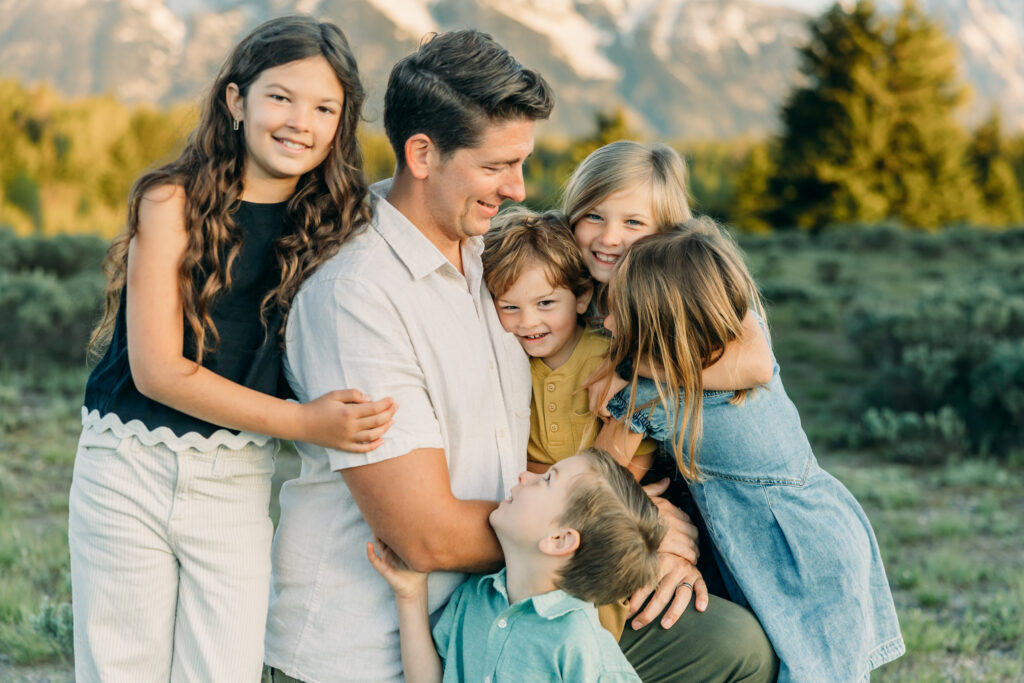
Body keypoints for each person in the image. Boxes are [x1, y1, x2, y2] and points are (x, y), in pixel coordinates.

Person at [266, 30, 775, 683]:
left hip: (518, 606)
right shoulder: (357, 295)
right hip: (385, 649)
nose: (518, 186)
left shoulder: (491, 255)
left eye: (523, 162)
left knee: (731, 644)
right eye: (497, 165)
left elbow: (680, 289)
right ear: (423, 154)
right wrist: (629, 537)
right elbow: (424, 535)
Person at [68, 16, 395, 682]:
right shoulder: (171, 203)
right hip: (129, 461)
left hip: (235, 473)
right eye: (281, 96)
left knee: (223, 668)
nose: (300, 120)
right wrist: (305, 423)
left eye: (325, 107)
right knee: (122, 665)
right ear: (236, 101)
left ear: (341, 123)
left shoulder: (339, 223)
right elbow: (158, 370)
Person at [602, 218, 906, 681]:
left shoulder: (655, 398)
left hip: (794, 557)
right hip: (821, 527)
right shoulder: (741, 346)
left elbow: (598, 472)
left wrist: (618, 376)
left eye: (618, 312)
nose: (605, 322)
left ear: (660, 324)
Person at [367, 448, 663, 682]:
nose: (525, 475)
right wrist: (411, 596)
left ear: (559, 539)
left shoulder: (580, 645)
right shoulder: (475, 596)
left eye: (546, 479)